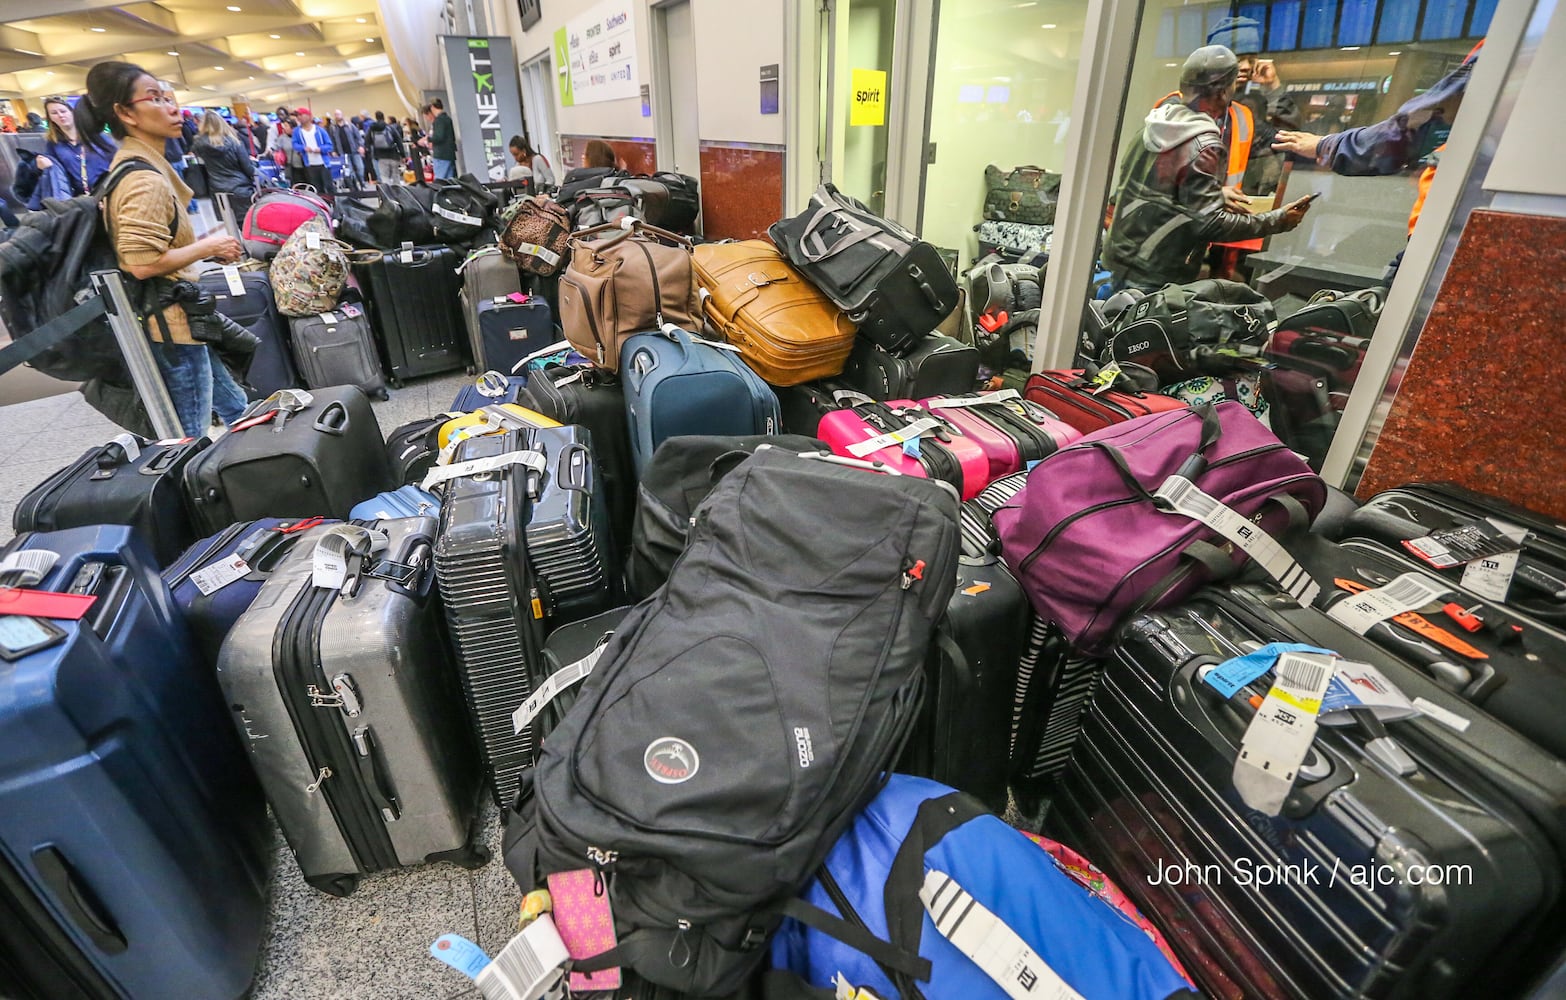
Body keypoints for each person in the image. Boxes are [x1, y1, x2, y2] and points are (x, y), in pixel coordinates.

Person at [74, 60, 249, 436]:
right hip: (167, 324)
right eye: (154, 98)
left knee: (236, 407)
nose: (172, 107)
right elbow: (141, 262)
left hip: (175, 316)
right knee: (187, 438)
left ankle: (269, 464)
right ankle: (193, 492)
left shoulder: (136, 166)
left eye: (168, 96)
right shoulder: (143, 180)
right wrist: (209, 246)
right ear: (125, 113)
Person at [1102, 45, 1310, 294]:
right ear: (1223, 92)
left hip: (1125, 258)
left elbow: (1160, 191)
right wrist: (1277, 221)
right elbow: (1210, 223)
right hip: (1157, 269)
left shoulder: (1159, 121)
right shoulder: (1202, 142)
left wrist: (1216, 194)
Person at [38, 96, 116, 196]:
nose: (60, 115)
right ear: (50, 118)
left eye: (63, 111)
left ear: (72, 112)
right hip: (83, 198)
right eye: (54, 113)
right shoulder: (53, 143)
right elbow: (57, 172)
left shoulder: (95, 135)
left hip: (109, 190)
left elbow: (116, 158)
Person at [192, 109, 257, 218]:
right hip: (240, 188)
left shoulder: (199, 145)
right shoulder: (234, 142)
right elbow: (248, 169)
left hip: (218, 190)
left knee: (230, 224)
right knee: (247, 225)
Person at [292, 109, 333, 191]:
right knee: (316, 188)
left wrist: (320, 149)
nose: (298, 117)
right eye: (297, 116)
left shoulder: (320, 130)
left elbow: (329, 145)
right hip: (309, 165)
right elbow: (294, 144)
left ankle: (332, 203)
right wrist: (303, 148)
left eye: (300, 115)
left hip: (323, 164)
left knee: (328, 187)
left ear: (308, 116)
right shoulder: (297, 131)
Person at [330, 109, 365, 190]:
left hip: (355, 151)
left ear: (342, 115)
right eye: (336, 114)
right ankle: (356, 187)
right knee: (350, 171)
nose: (337, 116)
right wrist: (333, 151)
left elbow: (358, 137)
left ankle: (362, 182)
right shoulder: (333, 128)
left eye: (339, 114)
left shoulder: (350, 126)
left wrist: (361, 146)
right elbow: (332, 140)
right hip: (343, 153)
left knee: (360, 168)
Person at [366, 110, 404, 185]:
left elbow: (367, 141)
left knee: (384, 176)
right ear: (383, 117)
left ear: (376, 118)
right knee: (395, 175)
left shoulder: (372, 129)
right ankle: (398, 193)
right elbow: (398, 140)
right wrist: (402, 155)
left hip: (380, 156)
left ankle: (388, 194)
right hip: (393, 155)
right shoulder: (390, 128)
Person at [422, 99, 456, 179]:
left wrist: (428, 139)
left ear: (433, 107)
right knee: (450, 180)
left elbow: (439, 137)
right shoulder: (447, 119)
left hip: (441, 154)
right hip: (449, 154)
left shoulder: (439, 120)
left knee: (440, 181)